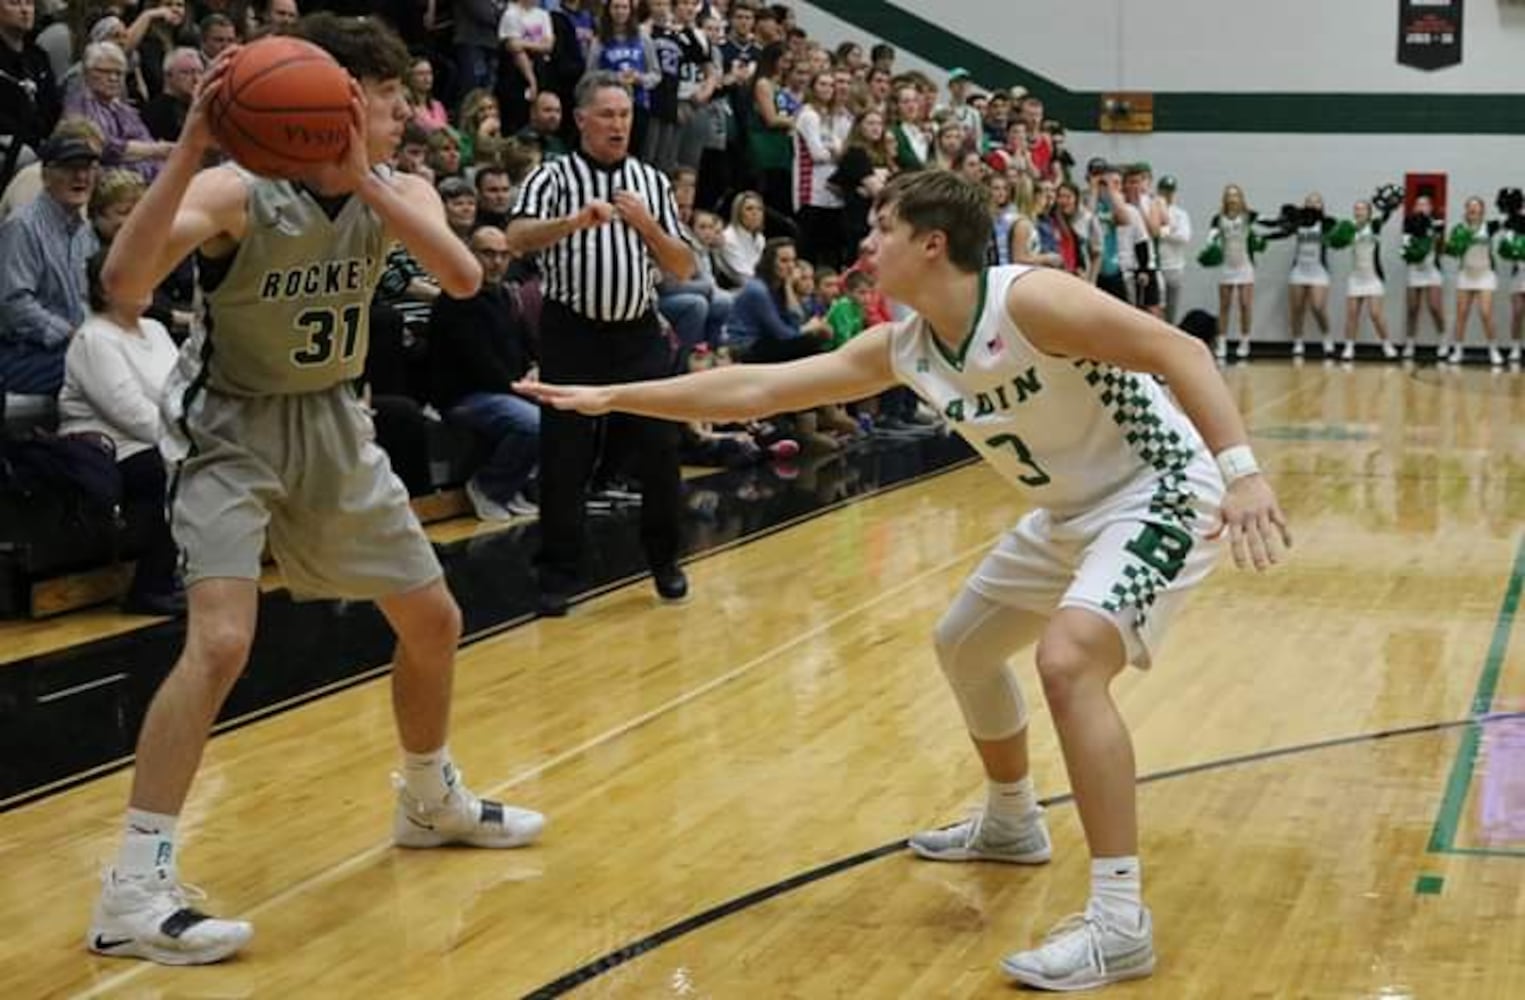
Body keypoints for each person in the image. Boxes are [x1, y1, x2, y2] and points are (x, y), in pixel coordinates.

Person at [516, 169, 1290, 992]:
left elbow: (1180, 348)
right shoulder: (909, 344)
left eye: (879, 227)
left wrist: (1241, 474)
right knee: (964, 645)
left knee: (1065, 663)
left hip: (1161, 489)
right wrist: (614, 396)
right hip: (1069, 512)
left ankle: (1117, 919)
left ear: (931, 242)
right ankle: (1010, 820)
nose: (862, 243)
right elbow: (759, 387)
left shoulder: (1028, 300)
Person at [86, 13, 545, 967]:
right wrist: (190, 149)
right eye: (385, 104)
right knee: (219, 641)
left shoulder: (397, 188)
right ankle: (132, 887)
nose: (401, 120)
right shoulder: (233, 189)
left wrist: (365, 179)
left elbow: (462, 278)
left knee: (434, 622)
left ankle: (427, 797)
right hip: (231, 428)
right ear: (337, 104)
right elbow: (123, 284)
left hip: (335, 421)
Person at [504, 70, 694, 618]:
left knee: (660, 451)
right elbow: (516, 238)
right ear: (581, 119)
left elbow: (682, 265)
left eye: (626, 114)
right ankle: (559, 574)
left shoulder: (651, 182)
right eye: (608, 114)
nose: (619, 124)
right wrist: (573, 222)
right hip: (573, 331)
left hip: (639, 333)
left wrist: (647, 227)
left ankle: (666, 561)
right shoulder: (553, 176)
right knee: (565, 455)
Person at [58, 251, 183, 615]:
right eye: (134, 275)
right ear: (106, 289)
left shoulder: (157, 331)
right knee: (171, 469)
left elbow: (181, 388)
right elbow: (128, 411)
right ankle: (150, 586)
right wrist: (186, 439)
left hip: (161, 437)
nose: (146, 283)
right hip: (111, 447)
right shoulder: (93, 338)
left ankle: (188, 573)